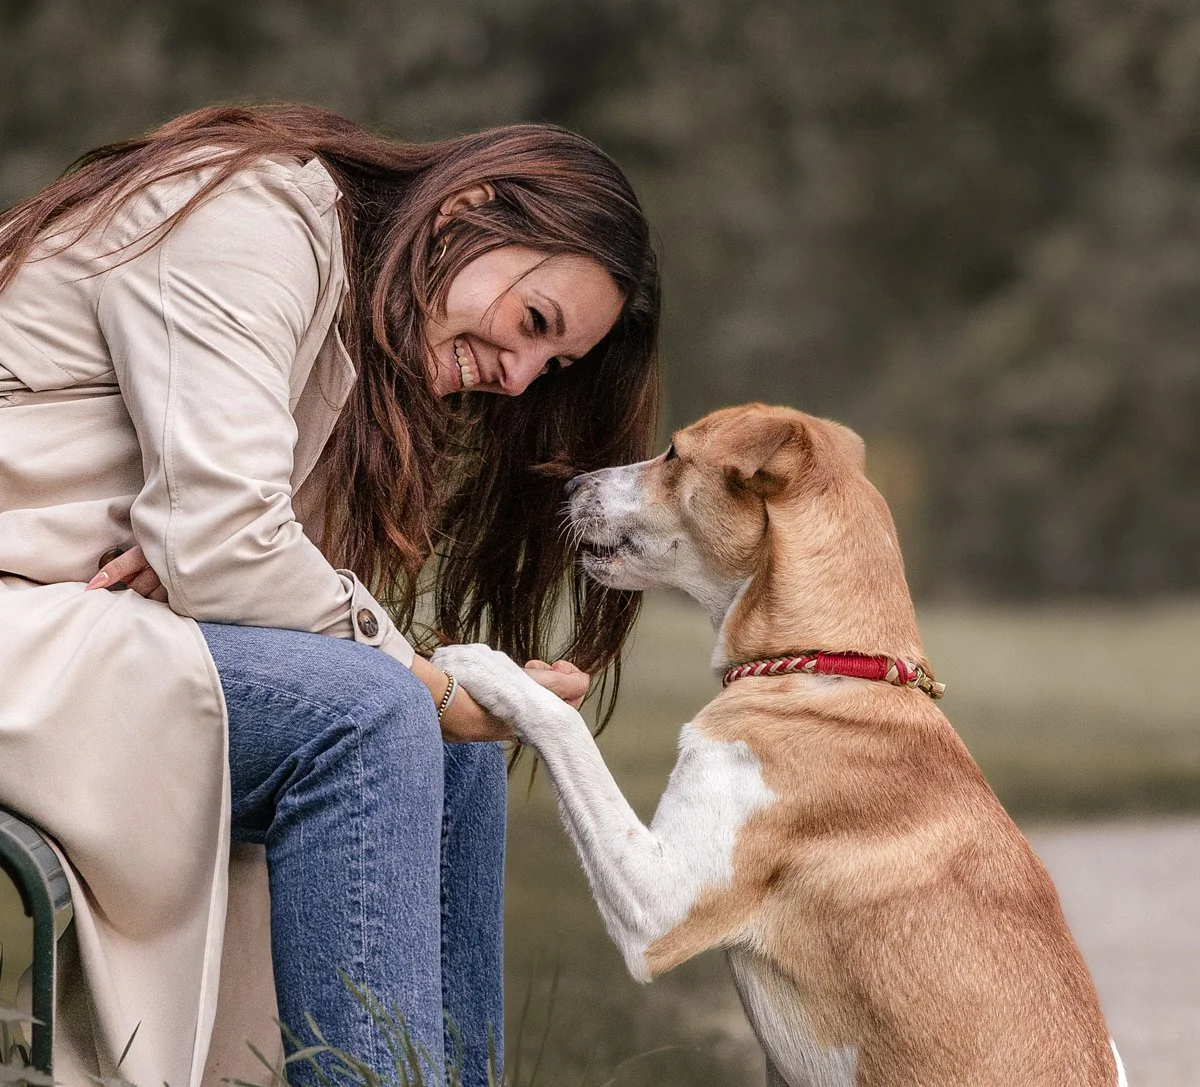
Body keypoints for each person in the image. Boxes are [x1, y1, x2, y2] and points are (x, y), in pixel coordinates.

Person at [0, 103, 660, 1087]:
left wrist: (205, 542)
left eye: (552, 364)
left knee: (444, 746)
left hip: (66, 625)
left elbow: (222, 546)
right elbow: (226, 541)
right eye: (532, 323)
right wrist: (426, 683)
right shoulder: (253, 220)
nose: (520, 381)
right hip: (30, 621)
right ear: (466, 211)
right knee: (374, 711)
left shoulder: (333, 327)